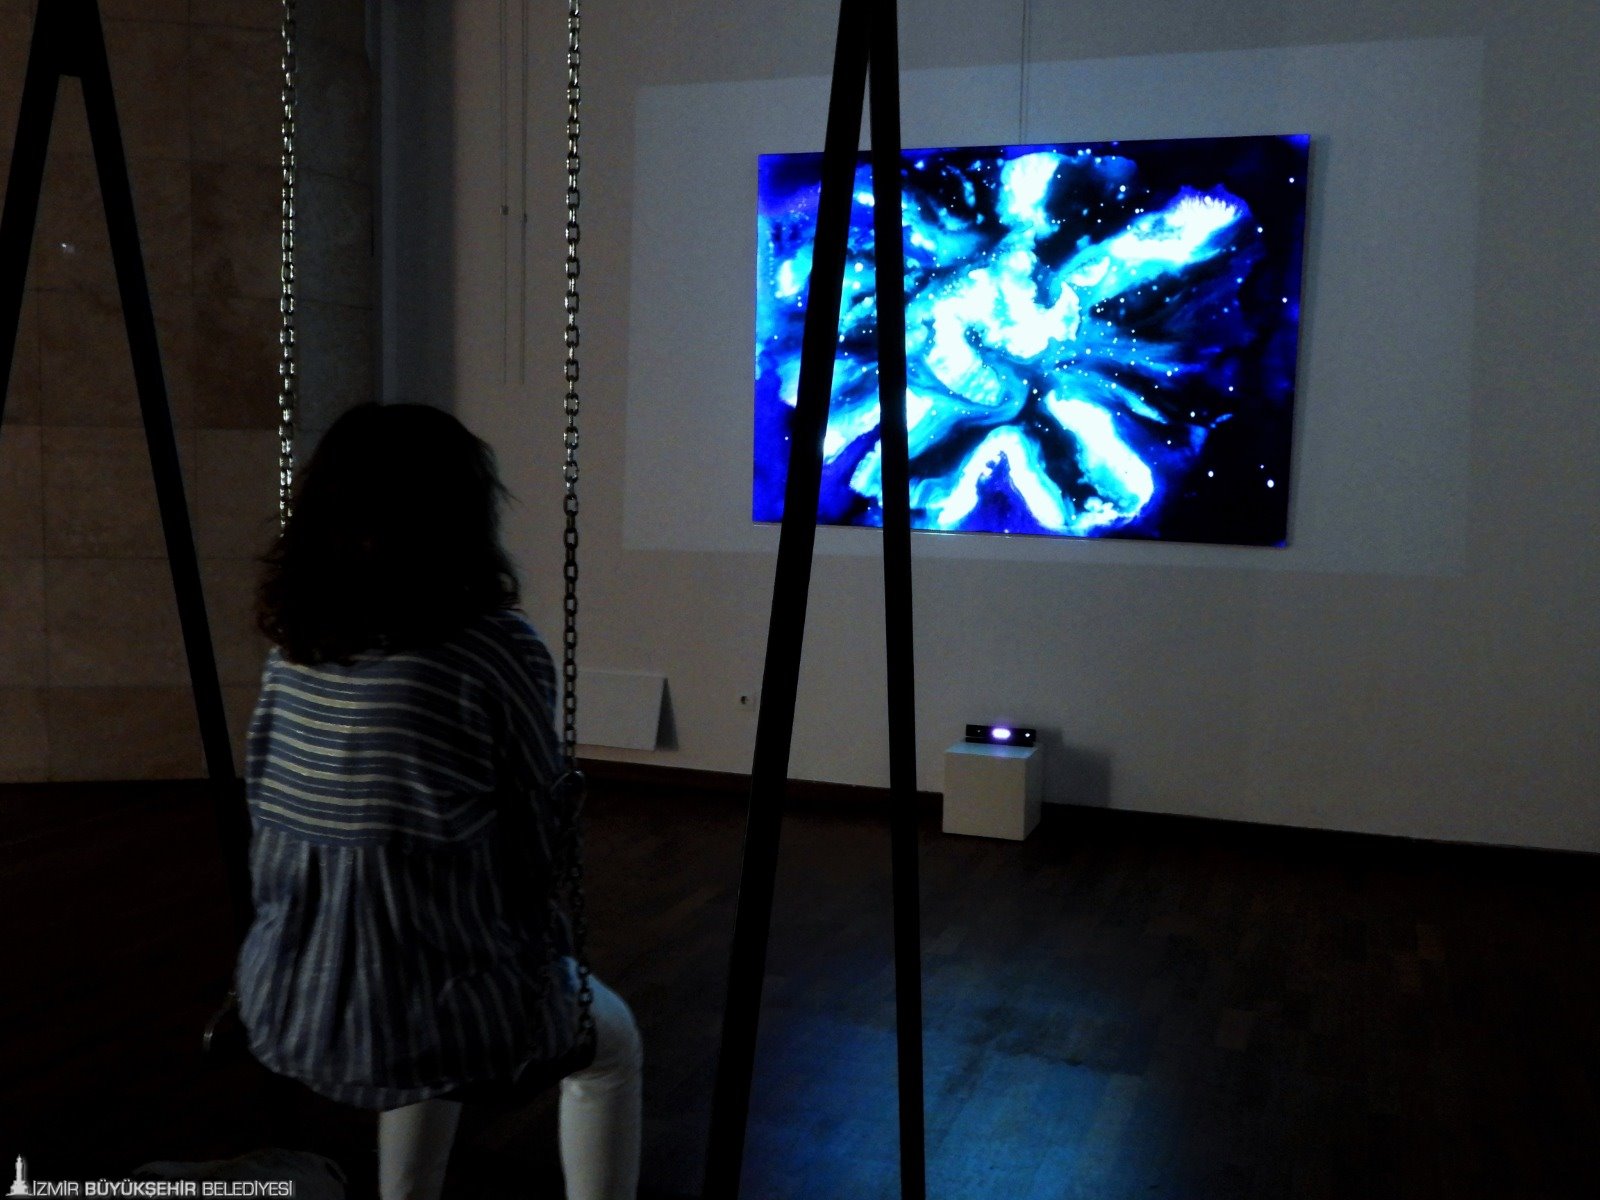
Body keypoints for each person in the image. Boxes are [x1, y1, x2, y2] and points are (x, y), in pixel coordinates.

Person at [234, 403, 642, 1200]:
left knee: (417, 965)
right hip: (437, 1015)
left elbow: (269, 808)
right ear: (462, 517)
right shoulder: (490, 648)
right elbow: (538, 836)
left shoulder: (296, 649)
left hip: (286, 1000)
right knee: (612, 1046)